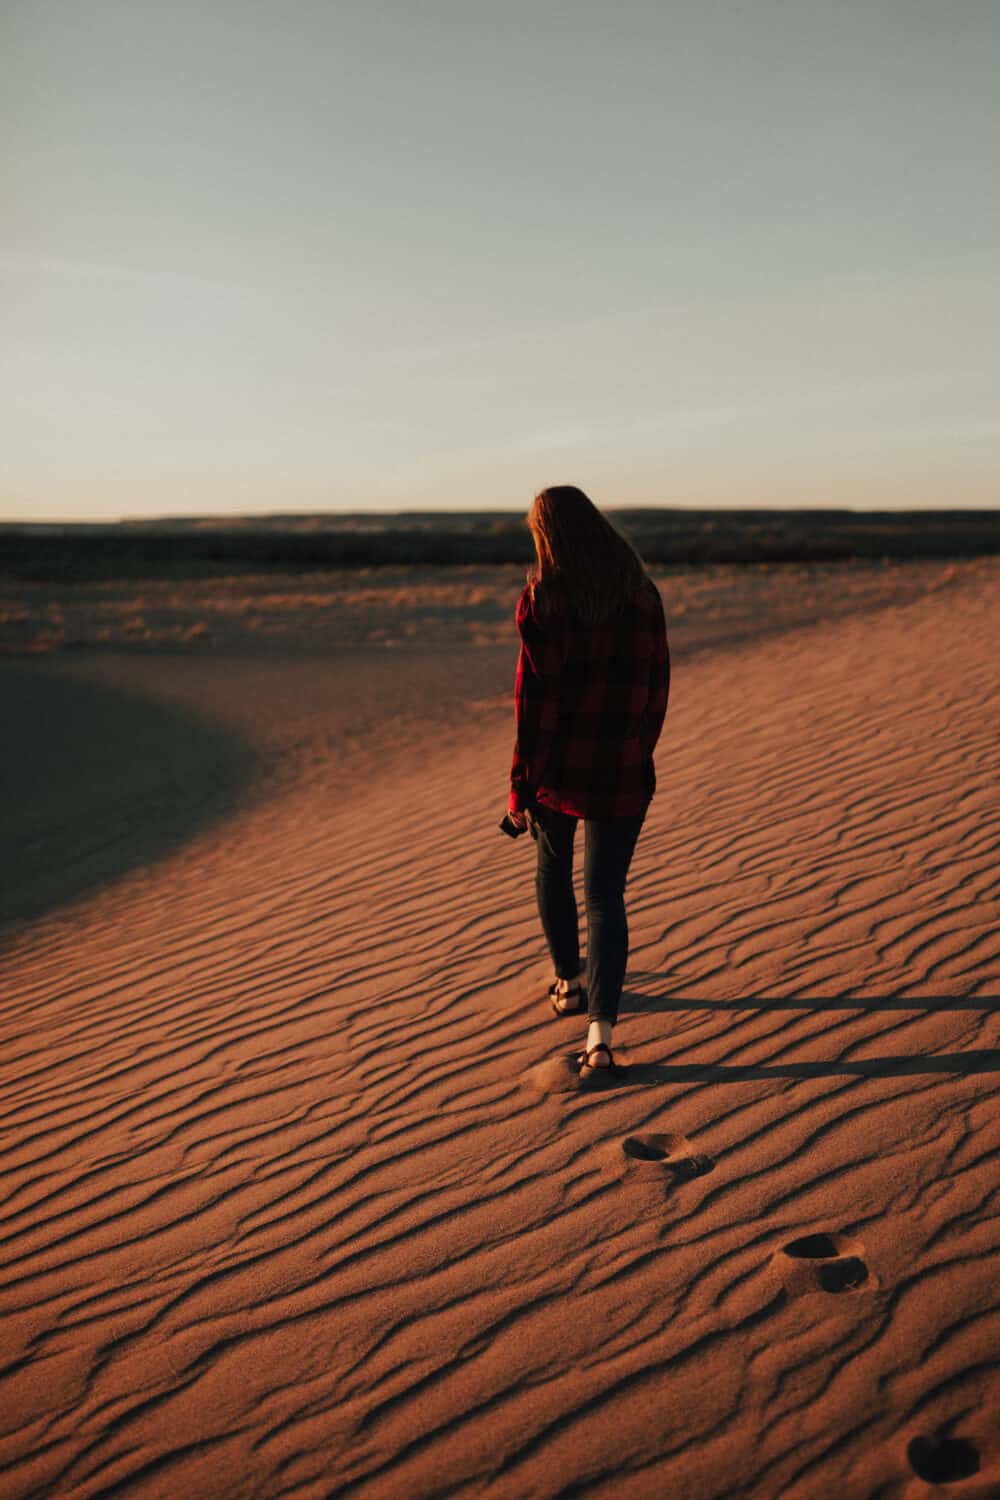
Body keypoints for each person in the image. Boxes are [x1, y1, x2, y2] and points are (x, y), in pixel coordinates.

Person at [506, 485, 670, 1081]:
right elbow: (657, 690)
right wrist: (635, 751)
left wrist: (521, 784)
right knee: (606, 895)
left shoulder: (543, 601)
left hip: (560, 771)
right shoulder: (641, 594)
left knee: (553, 869)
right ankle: (600, 1036)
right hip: (622, 769)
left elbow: (534, 708)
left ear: (547, 537)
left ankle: (569, 985)